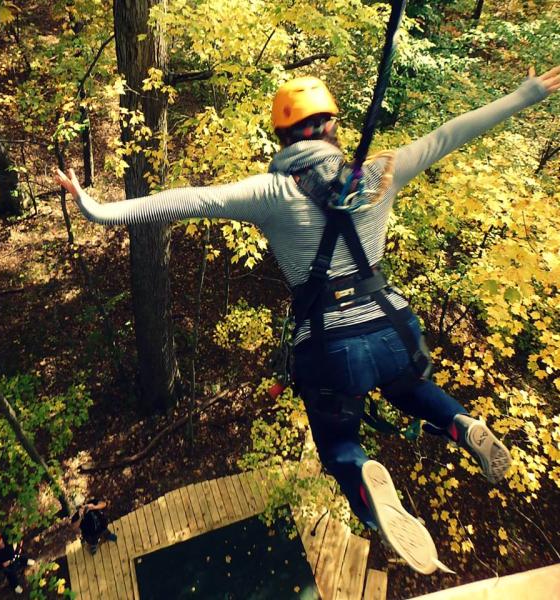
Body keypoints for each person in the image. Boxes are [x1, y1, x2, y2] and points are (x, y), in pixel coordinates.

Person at [56, 66, 559, 574]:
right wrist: (524, 94)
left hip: (329, 344)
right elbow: (450, 133)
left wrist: (96, 209)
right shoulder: (377, 171)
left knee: (339, 443)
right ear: (333, 127)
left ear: (281, 136)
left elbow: (187, 200)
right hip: (392, 325)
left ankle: (363, 477)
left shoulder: (271, 193)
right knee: (408, 390)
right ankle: (459, 421)